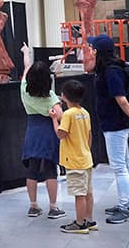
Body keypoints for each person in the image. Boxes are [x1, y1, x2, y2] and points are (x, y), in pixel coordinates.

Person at [83, 34, 129, 224]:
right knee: (125, 163)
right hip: (118, 123)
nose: (89, 50)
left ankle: (124, 208)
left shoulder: (110, 71)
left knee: (119, 167)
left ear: (97, 51)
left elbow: (121, 98)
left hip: (116, 124)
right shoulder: (110, 68)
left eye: (92, 48)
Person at [18, 46, 66, 221]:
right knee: (50, 168)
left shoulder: (24, 89)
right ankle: (53, 207)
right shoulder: (51, 97)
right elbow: (59, 115)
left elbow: (26, 68)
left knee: (32, 168)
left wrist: (26, 53)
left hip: (32, 131)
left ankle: (33, 205)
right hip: (48, 132)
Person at [53, 79, 95, 234]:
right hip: (86, 158)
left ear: (64, 96)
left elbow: (60, 134)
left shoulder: (68, 114)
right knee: (88, 192)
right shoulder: (85, 113)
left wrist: (53, 120)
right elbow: (89, 136)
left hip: (74, 161)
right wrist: (86, 151)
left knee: (79, 194)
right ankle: (89, 220)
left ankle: (79, 223)